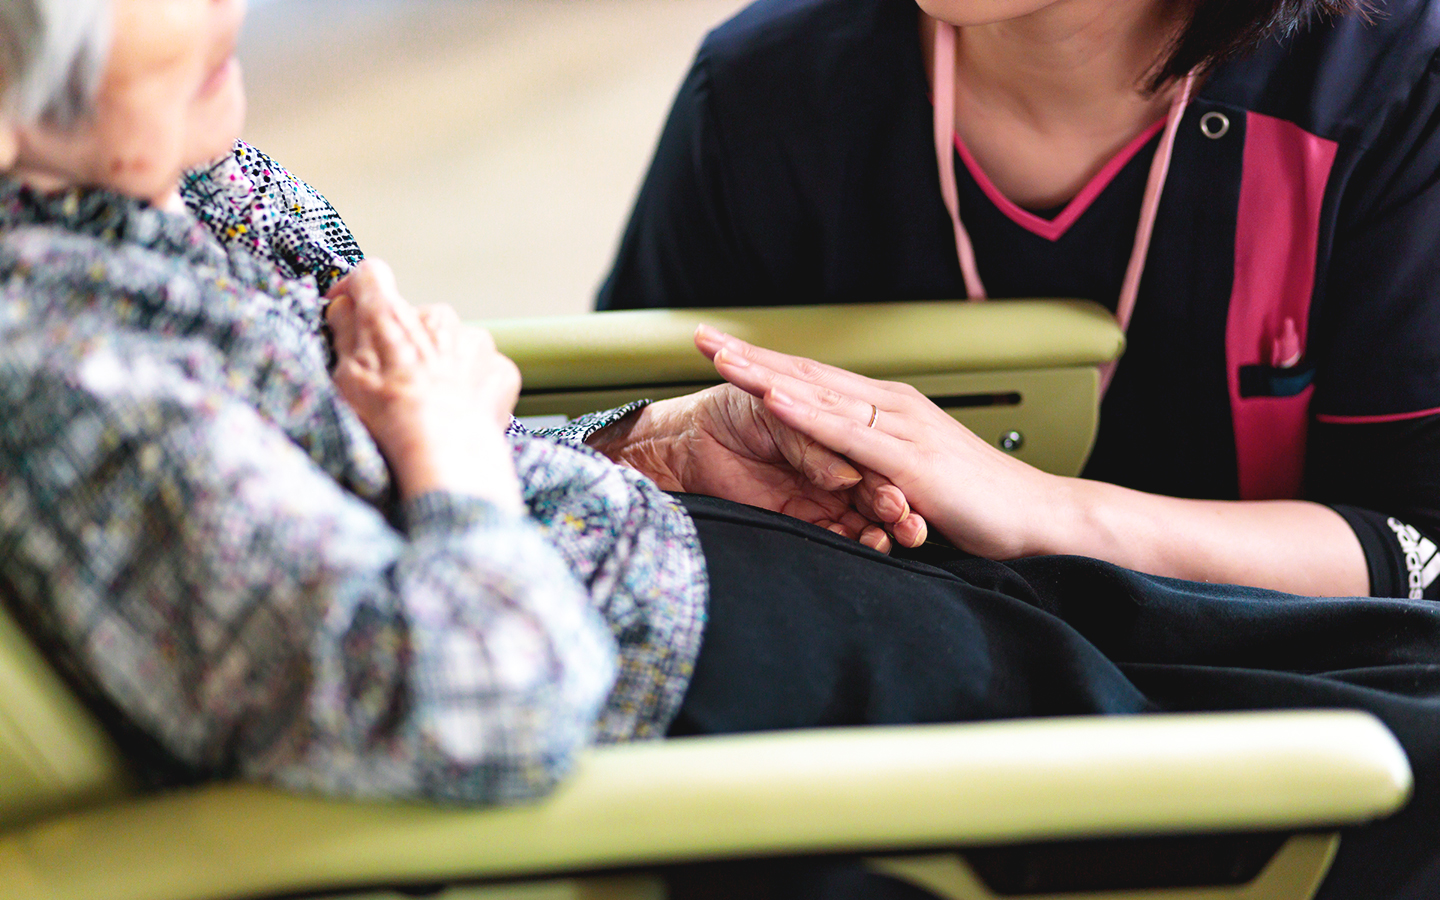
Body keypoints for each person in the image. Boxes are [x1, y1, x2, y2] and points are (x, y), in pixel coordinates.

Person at [2, 2, 1440, 898]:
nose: (222, 8)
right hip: (722, 704)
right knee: (1363, 746)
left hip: (738, 584)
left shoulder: (155, 189)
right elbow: (458, 704)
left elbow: (363, 432)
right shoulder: (74, 385)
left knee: (1286, 659)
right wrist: (450, 458)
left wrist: (646, 449)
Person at [596, 0, 1440, 603]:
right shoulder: (760, 88)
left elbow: (1420, 546)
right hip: (880, 736)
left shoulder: (1392, 82)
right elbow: (588, 458)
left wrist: (1041, 509)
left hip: (1292, 739)